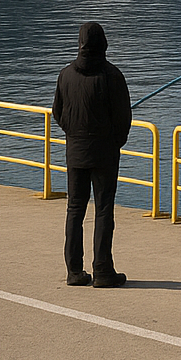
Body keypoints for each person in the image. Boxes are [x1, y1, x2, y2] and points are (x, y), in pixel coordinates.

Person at [52, 21, 131, 288]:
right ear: (104, 44)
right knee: (104, 209)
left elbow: (58, 113)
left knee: (75, 209)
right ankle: (103, 270)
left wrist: (74, 134)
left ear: (80, 44)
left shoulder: (65, 75)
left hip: (76, 151)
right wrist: (115, 142)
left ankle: (74, 270)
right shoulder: (112, 76)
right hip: (104, 153)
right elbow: (123, 118)